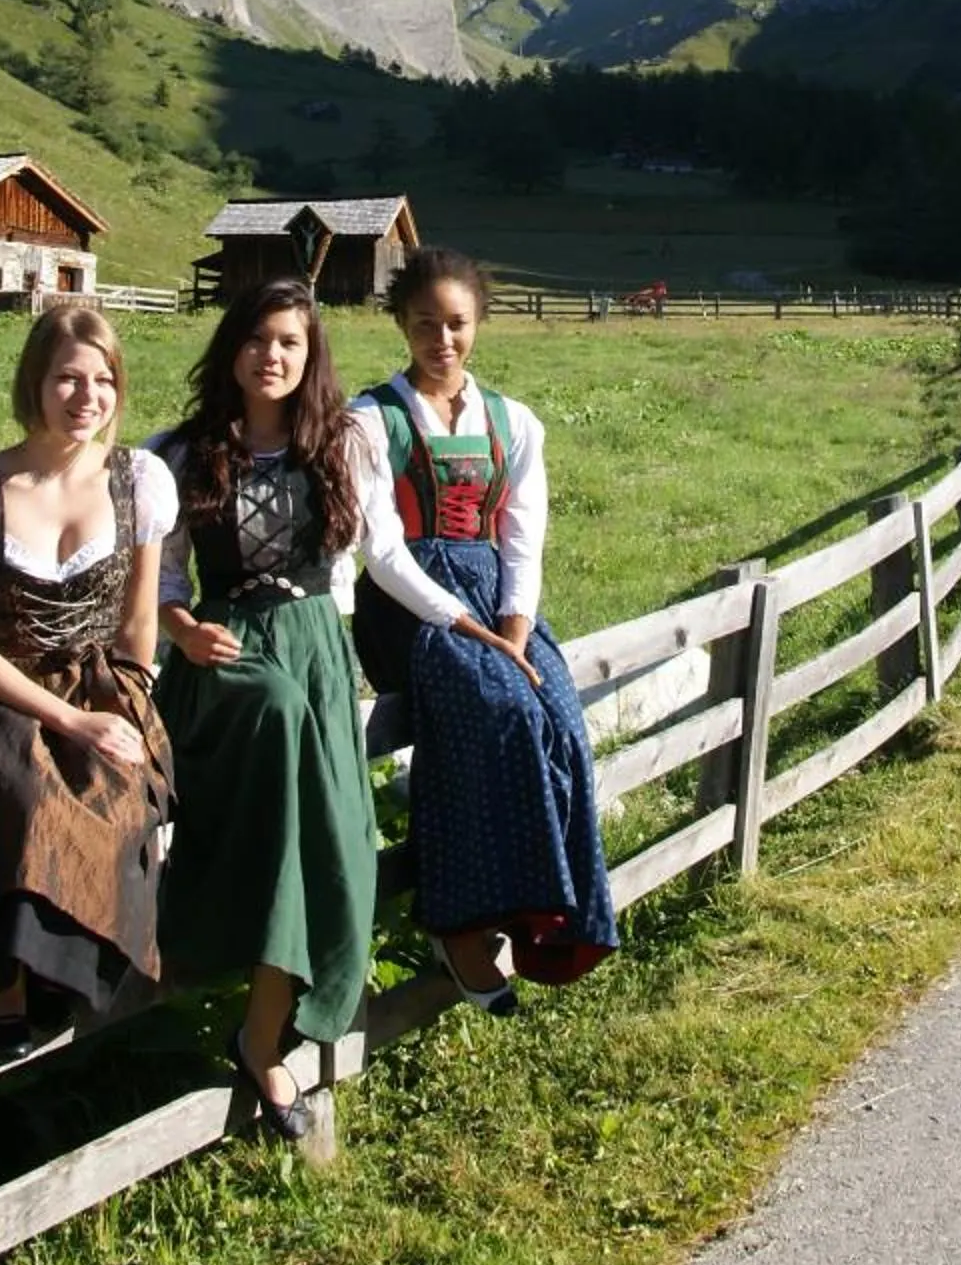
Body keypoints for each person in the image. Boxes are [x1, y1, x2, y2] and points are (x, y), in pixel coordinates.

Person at [154, 276, 520, 1139]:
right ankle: (254, 1036)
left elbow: (383, 555)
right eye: (256, 339)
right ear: (230, 348)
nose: (271, 356)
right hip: (229, 659)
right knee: (277, 797)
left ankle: (264, 1031)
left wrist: (465, 622)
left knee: (334, 848)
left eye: (289, 341)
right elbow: (164, 582)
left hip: (319, 648)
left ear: (310, 353)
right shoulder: (179, 452)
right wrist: (184, 631)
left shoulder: (345, 442)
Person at [353, 245, 617, 1015]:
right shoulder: (370, 420)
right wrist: (464, 625)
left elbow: (522, 537)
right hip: (410, 611)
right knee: (498, 706)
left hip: (496, 600)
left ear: (479, 325)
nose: (442, 340)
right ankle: (459, 922)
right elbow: (381, 550)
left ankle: (541, 911)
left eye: (457, 324)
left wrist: (514, 624)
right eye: (426, 324)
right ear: (402, 323)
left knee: (560, 719)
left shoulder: (515, 421)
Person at [0, 303, 175, 1057]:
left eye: (104, 381)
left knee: (116, 796)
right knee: (22, 794)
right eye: (68, 378)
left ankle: (74, 975)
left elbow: (137, 627)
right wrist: (64, 721)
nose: (87, 397)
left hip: (103, 686)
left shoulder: (138, 481)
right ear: (35, 383)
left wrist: (128, 708)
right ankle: (3, 976)